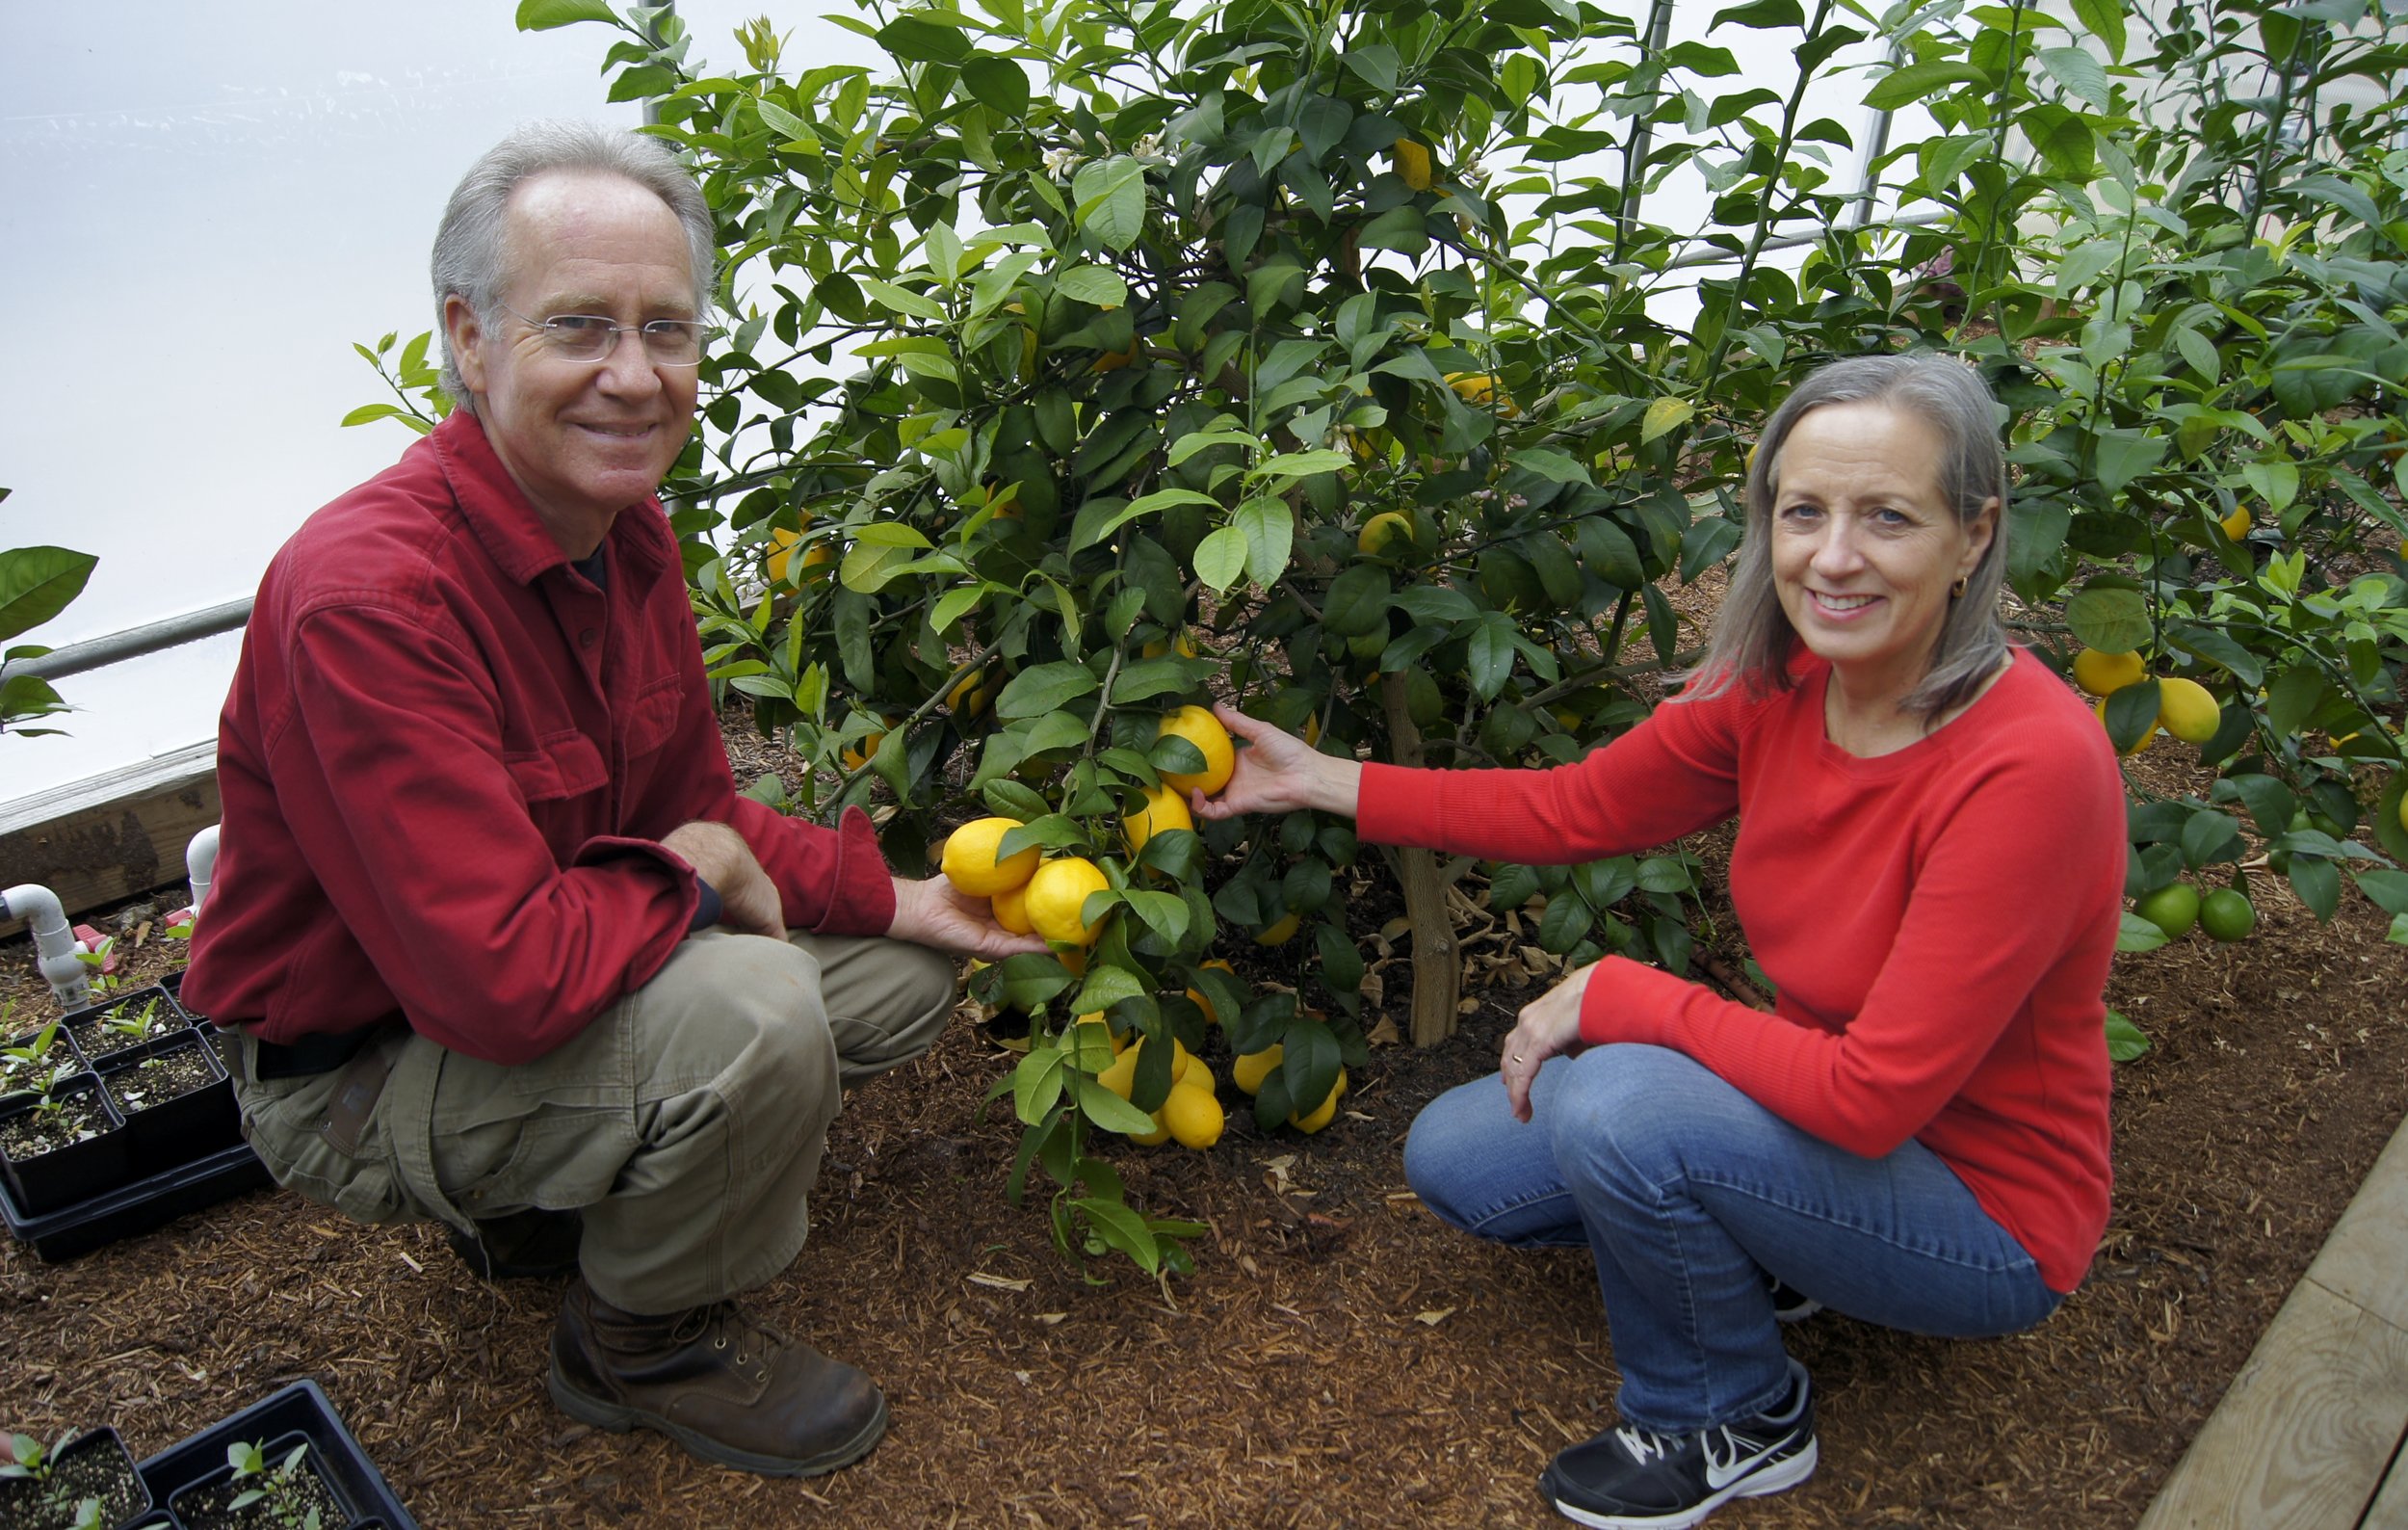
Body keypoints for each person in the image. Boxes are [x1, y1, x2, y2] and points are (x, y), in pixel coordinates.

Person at [185, 122, 1039, 1480]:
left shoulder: (623, 530)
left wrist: (904, 896)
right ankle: (635, 1340)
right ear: (470, 339)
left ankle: (561, 1198)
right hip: (360, 1065)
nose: (636, 377)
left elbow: (698, 803)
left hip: (522, 979)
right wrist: (701, 871)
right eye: (580, 326)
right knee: (756, 1016)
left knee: (894, 968)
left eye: (670, 330)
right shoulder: (373, 599)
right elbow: (500, 984)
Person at [1198, 355, 2124, 1529]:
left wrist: (1627, 995)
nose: (1832, 557)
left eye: (1887, 517)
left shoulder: (2027, 764)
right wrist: (1321, 779)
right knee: (1462, 1158)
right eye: (1804, 512)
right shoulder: (1784, 679)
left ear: (1973, 537)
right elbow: (1574, 809)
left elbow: (1873, 1096)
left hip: (1985, 1215)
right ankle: (1772, 1236)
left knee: (1619, 1103)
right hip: (1813, 1125)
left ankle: (1727, 1413)